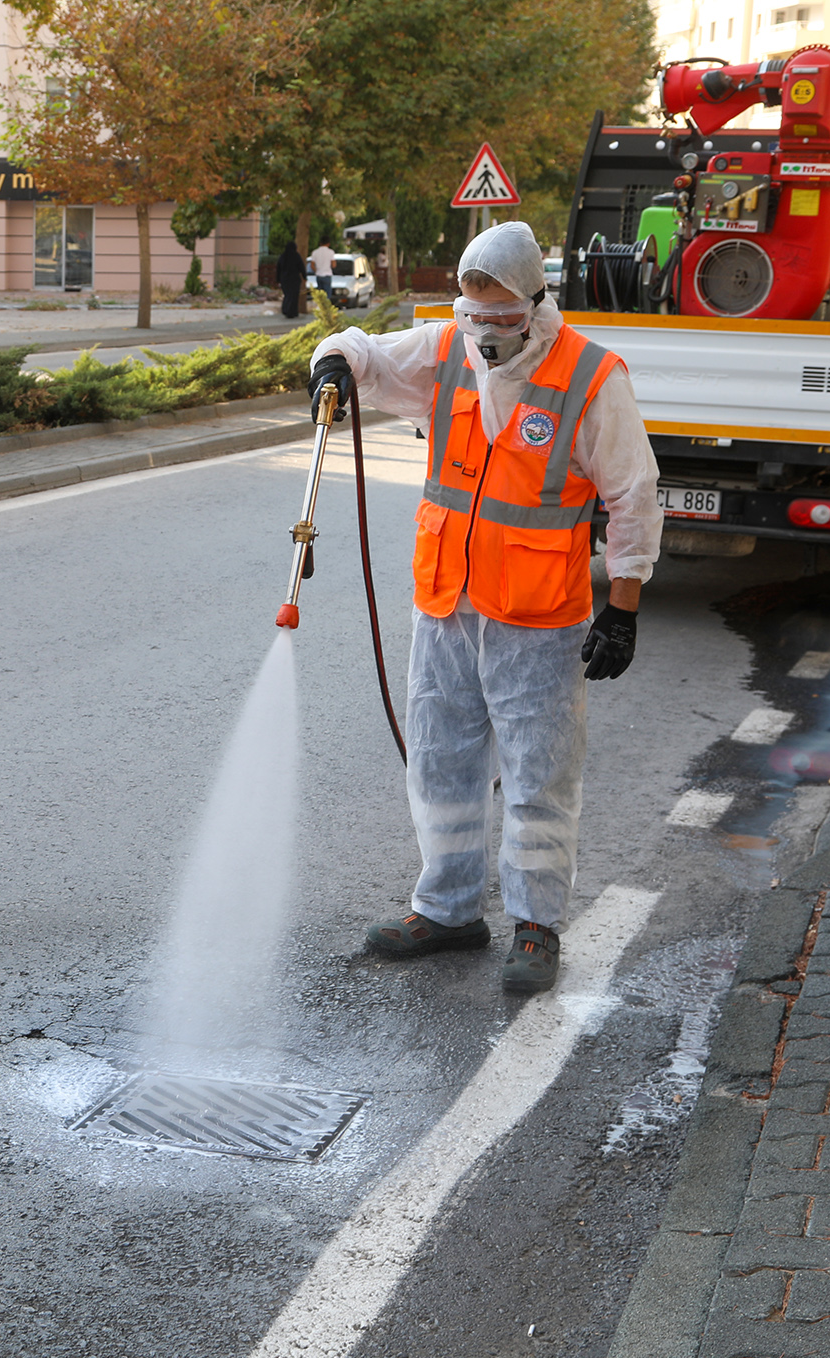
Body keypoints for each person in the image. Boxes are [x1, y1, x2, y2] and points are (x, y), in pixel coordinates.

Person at [307, 220, 660, 993]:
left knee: (538, 777)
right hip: (446, 604)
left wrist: (623, 604)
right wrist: (332, 365)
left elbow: (632, 496)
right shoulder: (446, 352)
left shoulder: (589, 378)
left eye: (500, 319)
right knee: (440, 765)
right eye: (473, 317)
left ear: (535, 305)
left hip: (538, 619)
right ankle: (447, 909)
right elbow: (367, 353)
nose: (485, 333)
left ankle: (536, 925)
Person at [276, 240, 307, 319]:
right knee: (294, 296)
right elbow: (301, 267)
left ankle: (286, 309)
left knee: (287, 295)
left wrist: (278, 280)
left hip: (285, 279)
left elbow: (278, 269)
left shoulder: (283, 256)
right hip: (294, 279)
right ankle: (293, 311)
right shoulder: (296, 256)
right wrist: (304, 277)